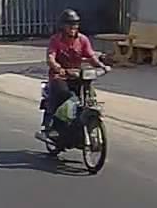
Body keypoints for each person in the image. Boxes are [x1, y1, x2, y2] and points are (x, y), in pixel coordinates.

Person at [39, 9, 108, 140]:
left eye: (75, 24)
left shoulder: (83, 40)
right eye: (69, 24)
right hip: (59, 76)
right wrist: (58, 68)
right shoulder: (56, 40)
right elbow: (51, 57)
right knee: (65, 95)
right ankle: (53, 127)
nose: (73, 27)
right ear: (62, 26)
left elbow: (91, 56)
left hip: (78, 75)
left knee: (89, 96)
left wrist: (102, 66)